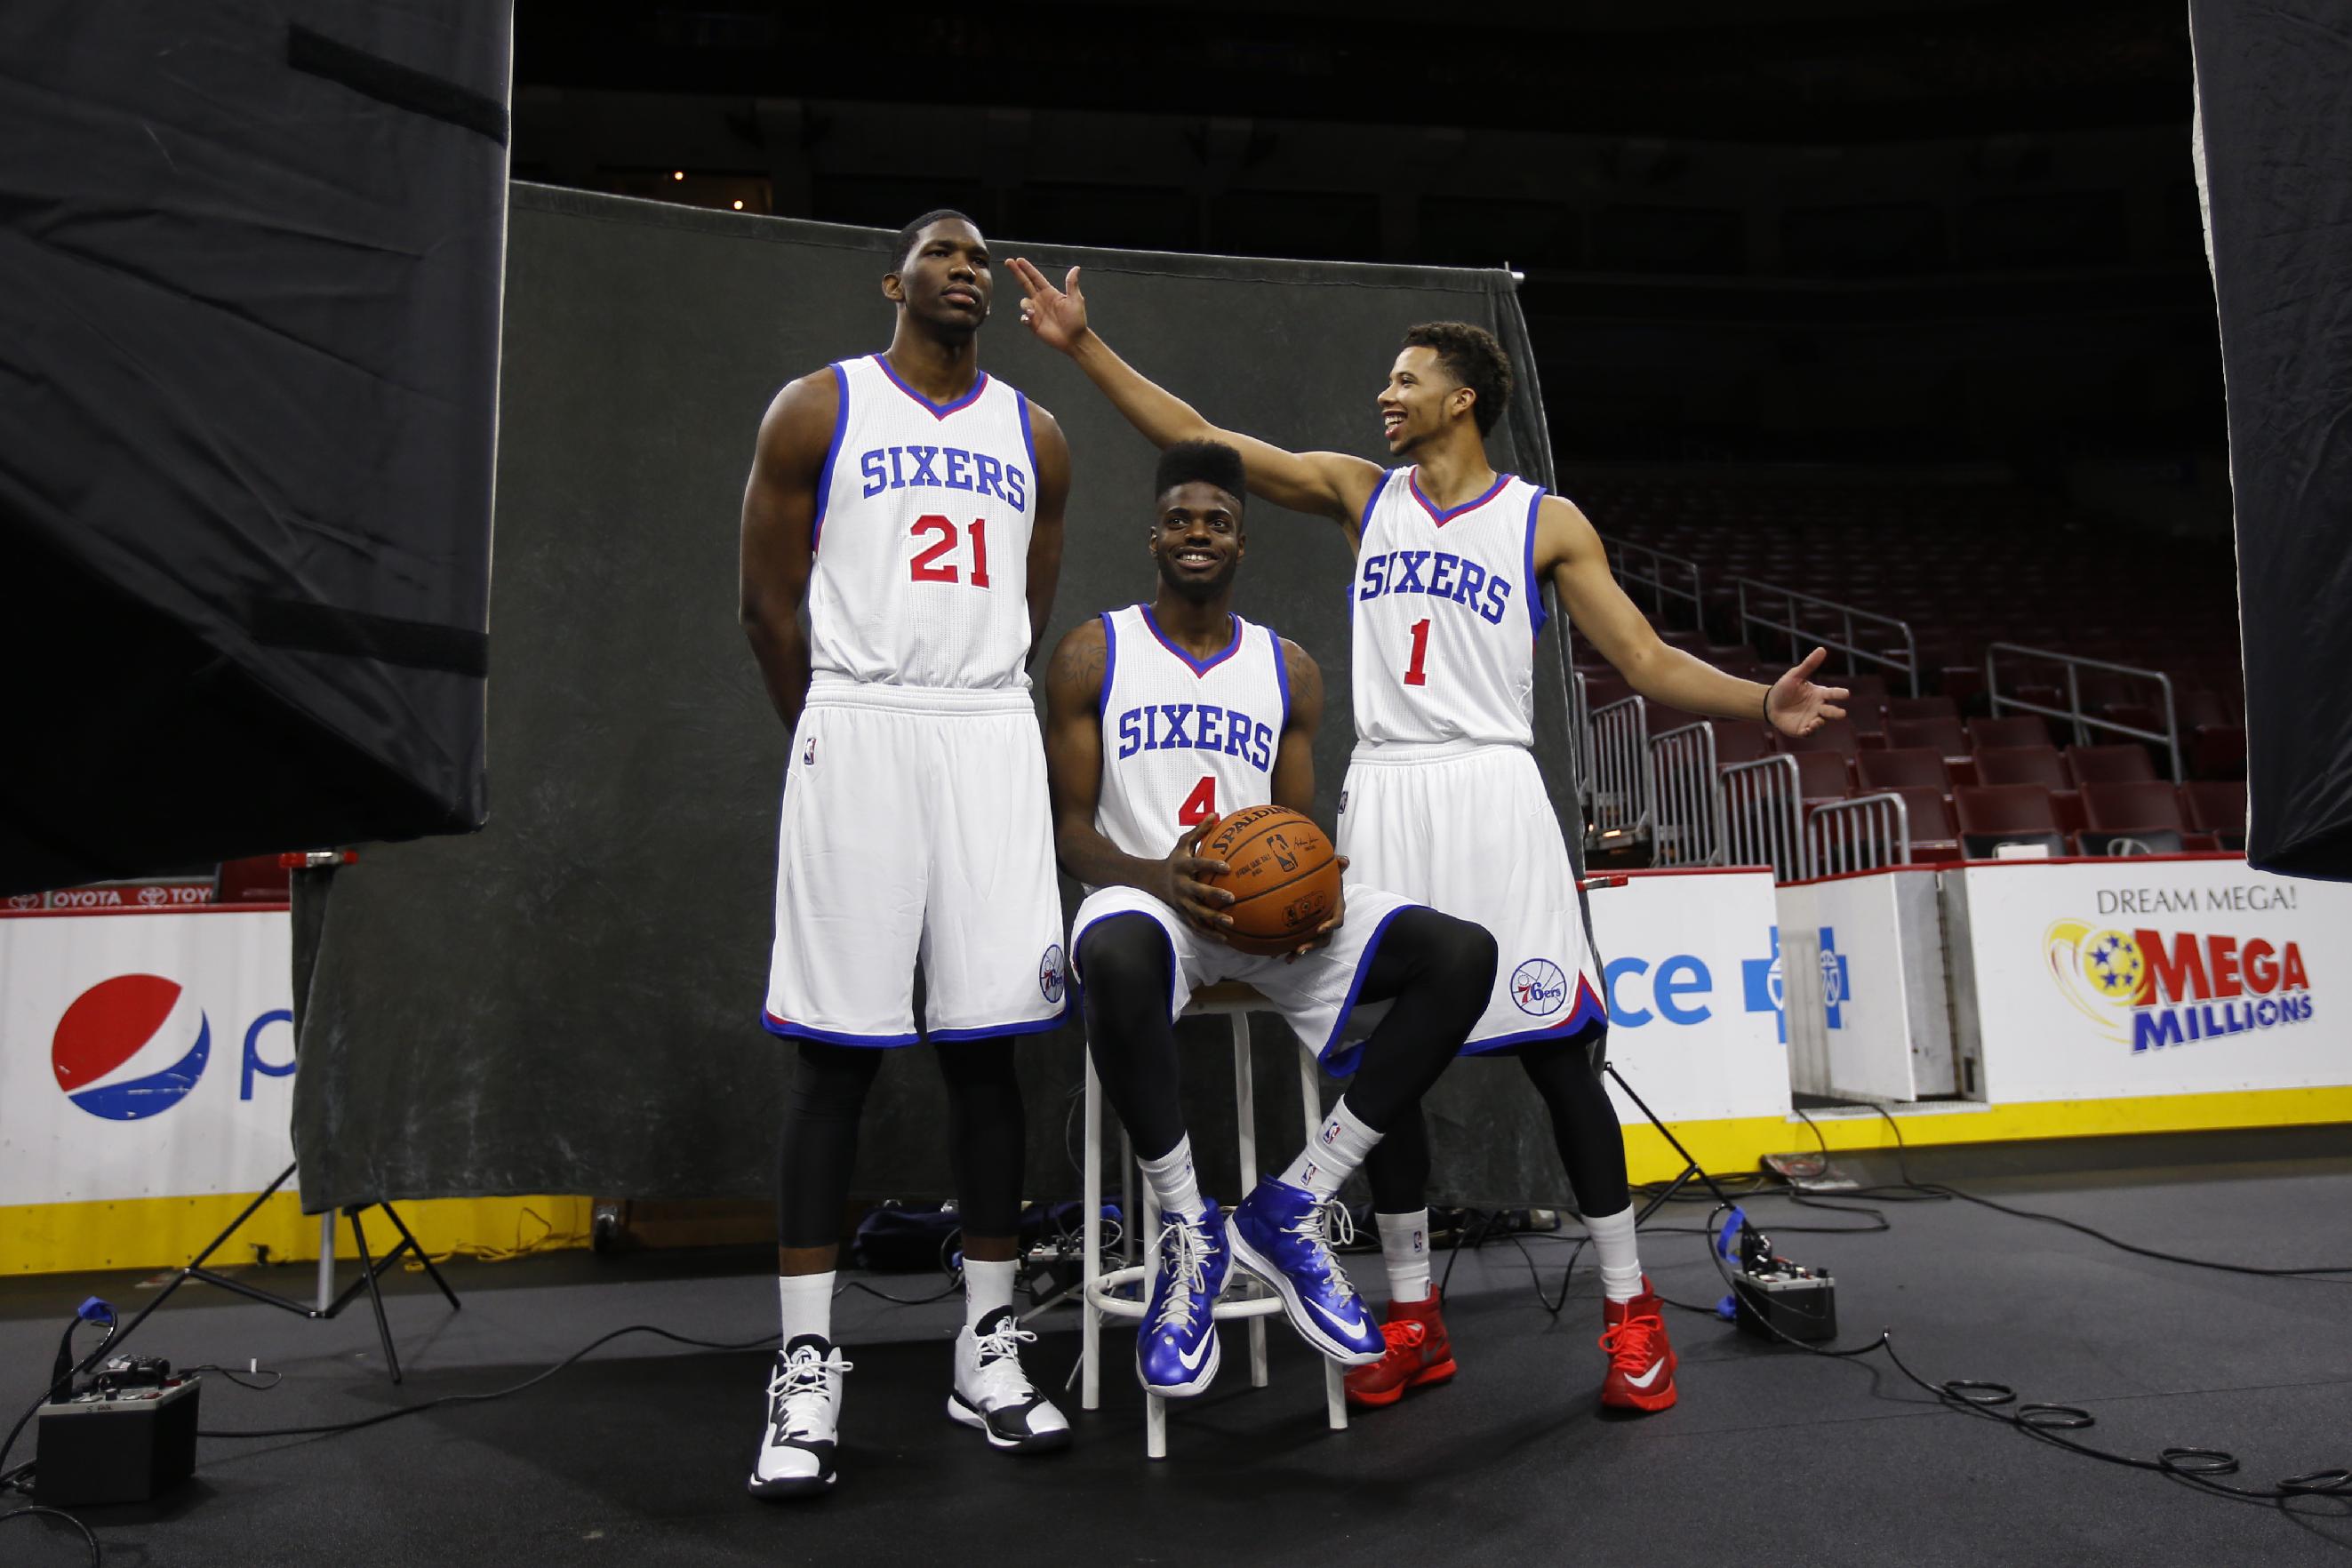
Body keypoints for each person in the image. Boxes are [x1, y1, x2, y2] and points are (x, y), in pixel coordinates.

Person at [1009, 259, 1846, 1417]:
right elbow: (1201, 436)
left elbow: (1643, 659)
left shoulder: (1541, 521)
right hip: (1388, 795)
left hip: (1494, 793)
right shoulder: (1364, 493)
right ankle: (1409, 1317)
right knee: (1375, 1073)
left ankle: (1628, 1313)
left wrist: (1760, 703)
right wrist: (1079, 346)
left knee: (1563, 1065)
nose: (1384, 399)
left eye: (1404, 383)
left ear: (1462, 397)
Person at [735, 212, 1074, 1499]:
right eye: (943, 253)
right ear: (895, 280)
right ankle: (807, 1364)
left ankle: (985, 1344)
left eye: (983, 258)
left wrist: (974, 707)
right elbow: (766, 607)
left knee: (989, 1050)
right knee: (830, 1058)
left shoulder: (1035, 434)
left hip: (983, 725)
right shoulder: (816, 409)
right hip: (858, 718)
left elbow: (1029, 606)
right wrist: (827, 728)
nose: (968, 270)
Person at [1044, 438, 1497, 1396]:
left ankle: (1293, 1203)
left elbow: (1293, 832)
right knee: (1114, 951)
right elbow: (1070, 833)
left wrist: (1312, 891)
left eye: (1216, 521)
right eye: (1180, 520)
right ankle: (1190, 1228)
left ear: (1242, 543)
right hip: (1147, 897)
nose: (1196, 534)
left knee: (1459, 955)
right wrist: (1157, 877)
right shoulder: (1096, 650)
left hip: (1252, 920)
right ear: (1153, 534)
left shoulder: (1287, 669)